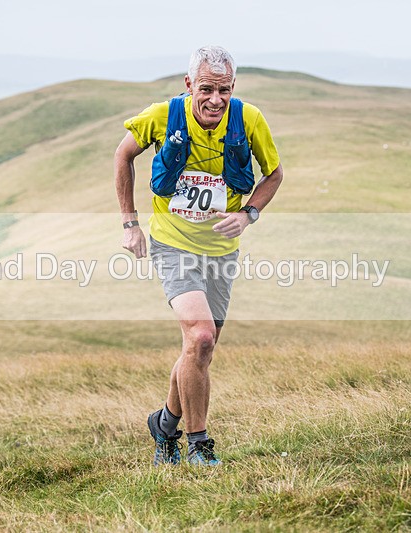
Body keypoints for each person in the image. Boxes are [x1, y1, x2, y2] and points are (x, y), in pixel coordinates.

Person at [114, 46, 283, 466]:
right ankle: (198, 445)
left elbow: (274, 172)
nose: (215, 99)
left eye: (224, 90)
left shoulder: (249, 120)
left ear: (233, 88)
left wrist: (248, 214)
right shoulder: (163, 115)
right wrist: (130, 223)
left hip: (222, 251)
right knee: (201, 335)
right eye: (206, 89)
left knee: (199, 350)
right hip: (173, 242)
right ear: (189, 84)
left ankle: (164, 424)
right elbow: (123, 154)